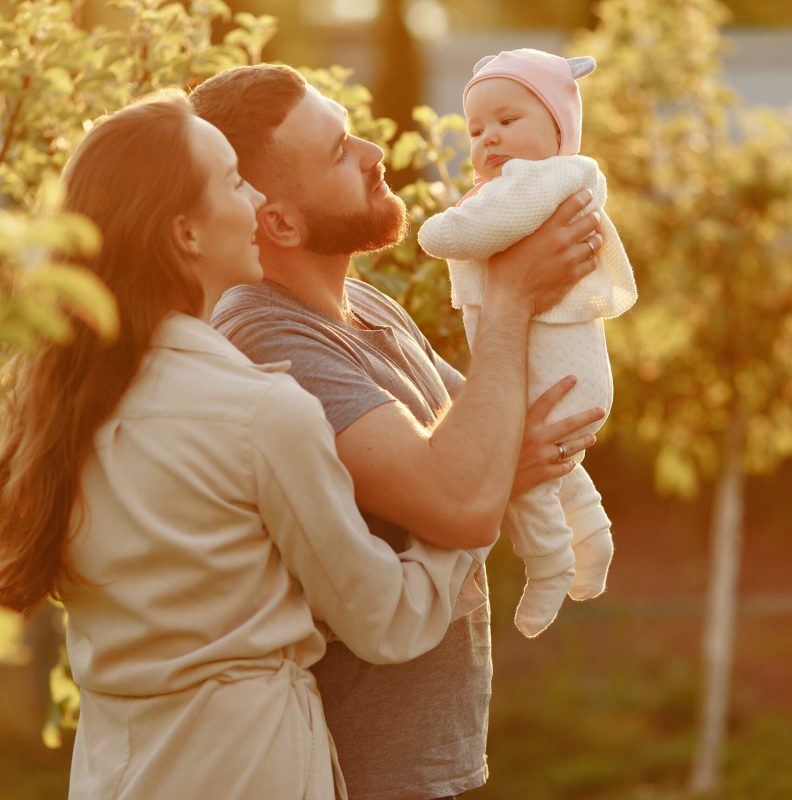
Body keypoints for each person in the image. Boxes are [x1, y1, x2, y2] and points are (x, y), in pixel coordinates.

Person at [0, 93, 496, 800]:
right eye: (235, 182)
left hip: (118, 771)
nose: (257, 197)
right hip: (248, 770)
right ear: (186, 235)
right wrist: (473, 495)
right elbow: (388, 619)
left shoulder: (55, 404)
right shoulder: (261, 412)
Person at [192, 64, 606, 800]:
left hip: (418, 762)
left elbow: (505, 433)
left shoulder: (367, 307)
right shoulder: (265, 336)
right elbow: (464, 496)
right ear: (279, 222)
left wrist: (497, 451)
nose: (371, 153)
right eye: (339, 151)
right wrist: (511, 298)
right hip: (353, 769)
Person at [418, 48, 637, 639]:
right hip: (566, 371)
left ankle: (547, 564)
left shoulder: (545, 178)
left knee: (524, 465)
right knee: (558, 463)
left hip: (556, 371)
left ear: (558, 128)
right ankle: (592, 539)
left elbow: (470, 232)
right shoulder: (525, 181)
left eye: (508, 122)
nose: (489, 138)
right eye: (477, 129)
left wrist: (434, 228)